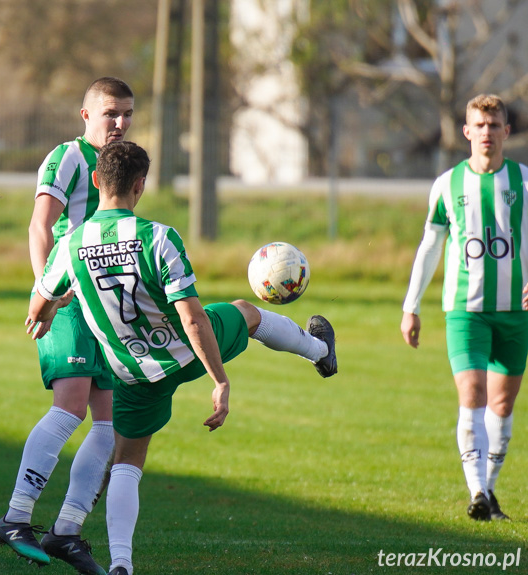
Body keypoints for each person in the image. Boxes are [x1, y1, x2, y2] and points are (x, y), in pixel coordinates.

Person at [26, 141, 337, 575]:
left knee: (128, 461)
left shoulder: (71, 245)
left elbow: (40, 304)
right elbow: (192, 321)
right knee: (246, 312)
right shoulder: (158, 237)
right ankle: (320, 351)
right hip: (184, 354)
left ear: (96, 182)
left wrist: (47, 312)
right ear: (141, 185)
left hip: (132, 374)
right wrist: (220, 381)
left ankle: (121, 565)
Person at [0, 77, 134, 575]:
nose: (119, 123)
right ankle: (15, 517)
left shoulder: (120, 165)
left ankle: (67, 530)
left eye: (127, 115)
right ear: (86, 114)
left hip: (103, 303)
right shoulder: (68, 157)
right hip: (68, 297)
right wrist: (45, 291)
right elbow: (39, 224)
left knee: (111, 422)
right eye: (111, 113)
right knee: (70, 407)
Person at [401, 94, 528, 521]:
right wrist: (410, 305)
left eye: (495, 126)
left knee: (503, 406)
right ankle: (476, 492)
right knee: (471, 395)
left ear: (506, 132)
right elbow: (430, 245)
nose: (487, 133)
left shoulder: (525, 184)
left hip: (516, 313)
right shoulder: (448, 184)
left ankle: (488, 492)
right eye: (480, 125)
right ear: (466, 131)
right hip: (464, 310)